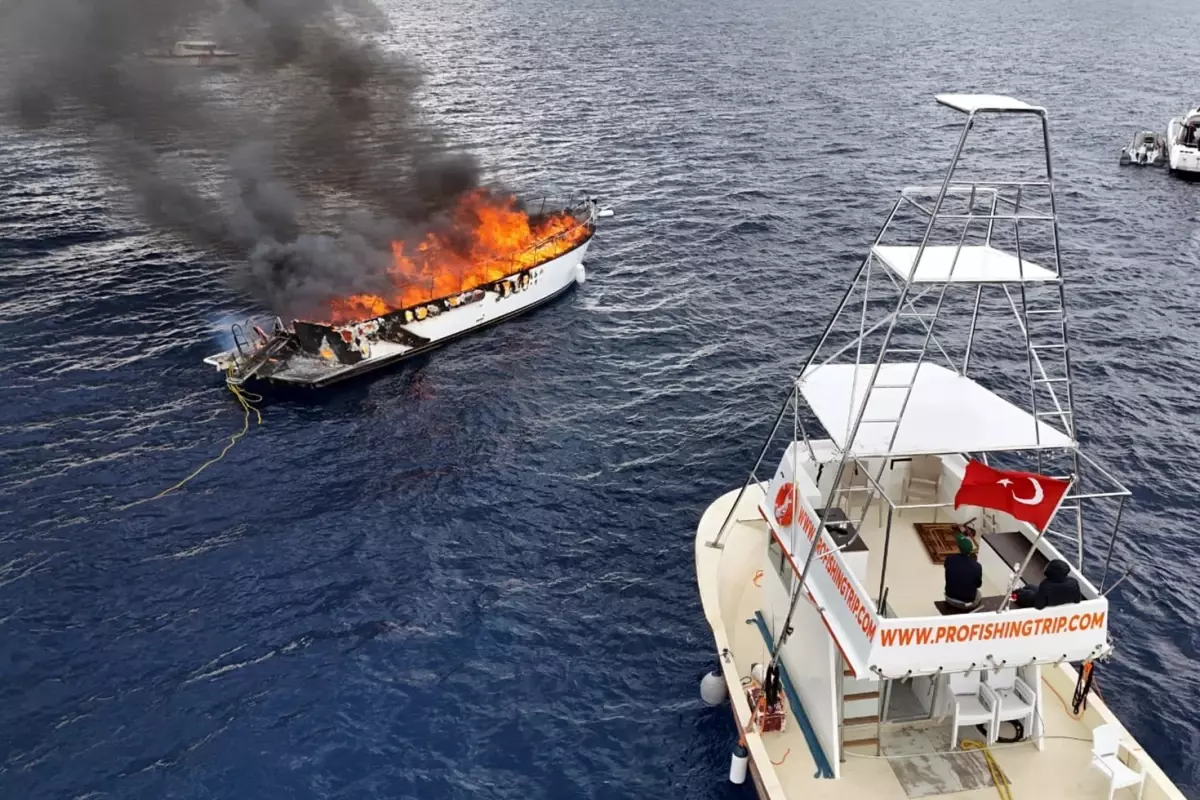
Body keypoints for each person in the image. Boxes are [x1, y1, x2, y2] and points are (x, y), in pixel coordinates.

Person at [1014, 558, 1082, 609]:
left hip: (1042, 602)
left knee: (1023, 593)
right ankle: (1023, 590)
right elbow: (1077, 600)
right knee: (1029, 586)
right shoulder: (1074, 582)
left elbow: (1039, 606)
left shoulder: (1046, 585)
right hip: (1052, 599)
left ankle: (1015, 592)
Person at [943, 533, 983, 611]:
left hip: (949, 598)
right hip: (966, 603)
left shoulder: (949, 560)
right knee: (979, 594)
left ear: (958, 548)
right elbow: (978, 585)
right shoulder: (977, 566)